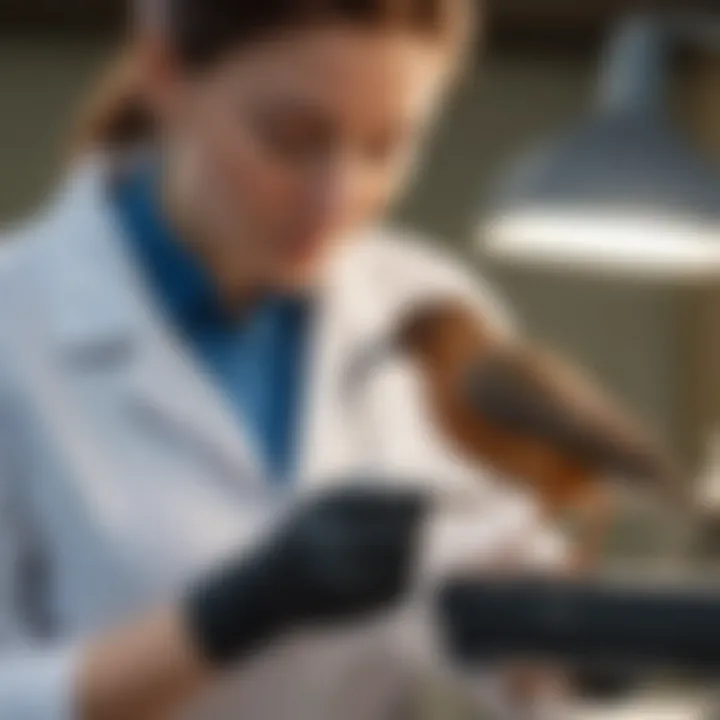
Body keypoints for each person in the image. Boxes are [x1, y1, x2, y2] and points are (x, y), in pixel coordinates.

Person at [0, 1, 567, 718]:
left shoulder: (436, 313)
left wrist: (563, 658)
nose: (339, 194)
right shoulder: (14, 324)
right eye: (291, 139)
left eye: (387, 146)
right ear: (163, 72)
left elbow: (510, 659)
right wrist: (227, 618)